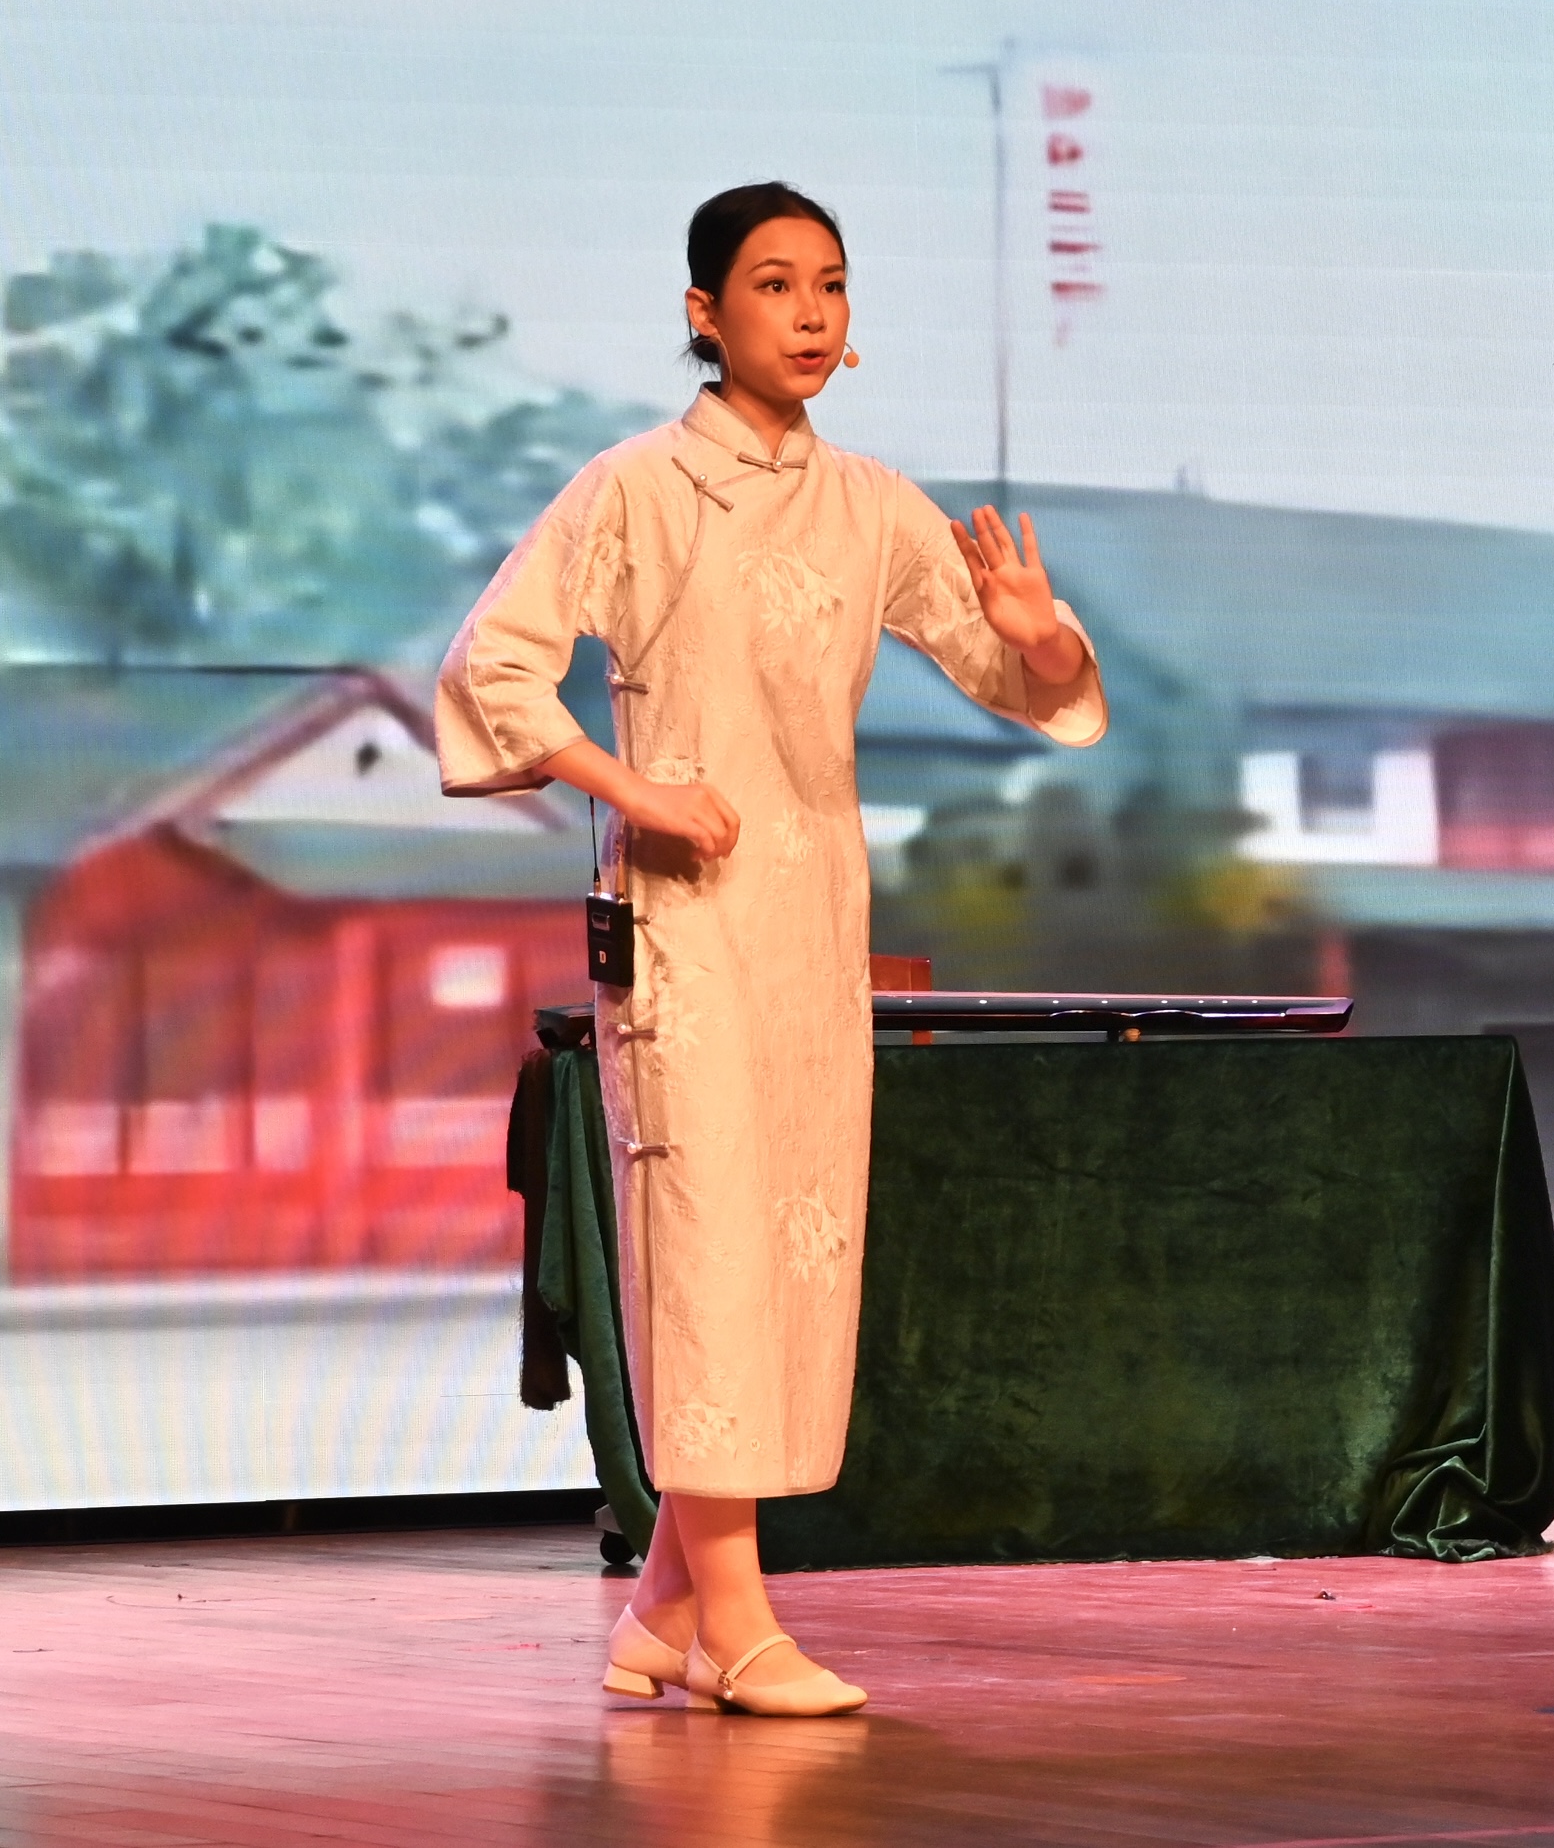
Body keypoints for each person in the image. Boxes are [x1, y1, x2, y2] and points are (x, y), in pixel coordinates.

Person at [436, 182, 1108, 1715]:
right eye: (774, 284)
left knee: (791, 1248)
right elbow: (496, 669)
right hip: (681, 923)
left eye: (831, 285)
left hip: (811, 921)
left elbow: (1024, 678)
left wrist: (1040, 629)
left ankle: (662, 1610)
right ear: (704, 311)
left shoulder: (872, 503)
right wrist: (635, 791)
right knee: (711, 1245)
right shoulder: (635, 486)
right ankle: (738, 1621)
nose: (809, 313)